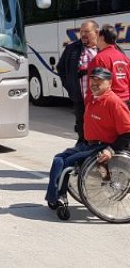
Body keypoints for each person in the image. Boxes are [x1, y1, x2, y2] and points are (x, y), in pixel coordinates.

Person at [45, 67, 130, 210]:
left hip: (103, 146)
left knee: (68, 161)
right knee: (58, 158)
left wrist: (110, 150)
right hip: (88, 144)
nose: (94, 84)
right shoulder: (91, 99)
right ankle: (55, 196)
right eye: (92, 80)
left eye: (99, 80)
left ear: (109, 82)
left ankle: (59, 196)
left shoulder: (114, 103)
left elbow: (127, 133)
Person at [56, 20, 99, 143]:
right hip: (80, 98)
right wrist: (70, 86)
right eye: (81, 31)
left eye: (87, 32)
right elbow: (61, 68)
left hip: (100, 99)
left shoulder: (103, 48)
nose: (83, 34)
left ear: (96, 32)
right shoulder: (72, 48)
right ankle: (82, 147)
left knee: (99, 126)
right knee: (82, 126)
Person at [87, 23, 130, 106]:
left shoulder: (98, 59)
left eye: (97, 36)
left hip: (108, 103)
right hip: (126, 102)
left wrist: (89, 104)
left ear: (102, 38)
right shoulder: (125, 58)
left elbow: (94, 86)